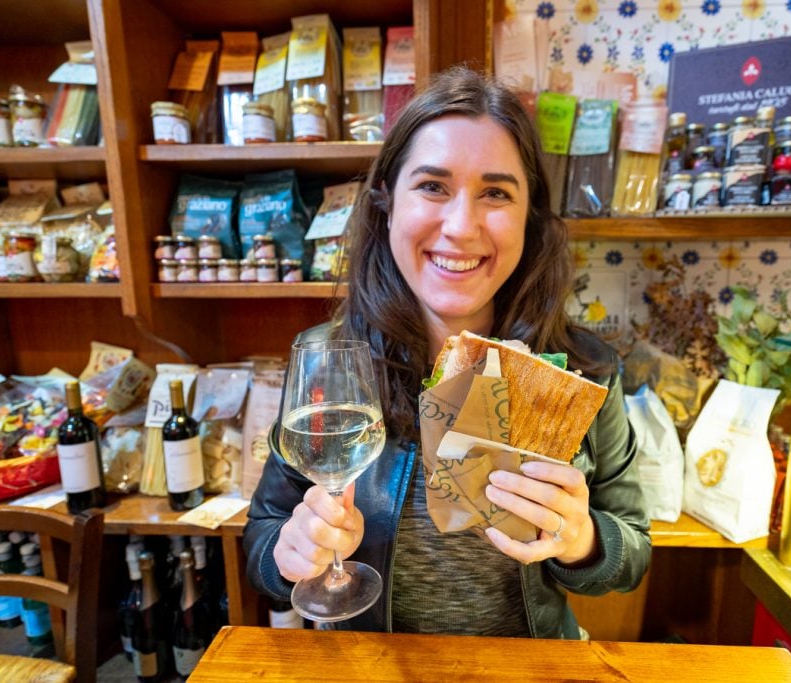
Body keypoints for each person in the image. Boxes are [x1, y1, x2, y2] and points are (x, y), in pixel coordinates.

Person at [244, 67, 650, 638]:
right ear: (386, 204)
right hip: (373, 671)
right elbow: (264, 529)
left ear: (530, 219)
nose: (460, 226)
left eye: (495, 193)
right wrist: (288, 554)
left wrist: (582, 540)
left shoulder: (583, 369)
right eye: (432, 186)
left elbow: (633, 550)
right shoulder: (327, 359)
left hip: (530, 670)